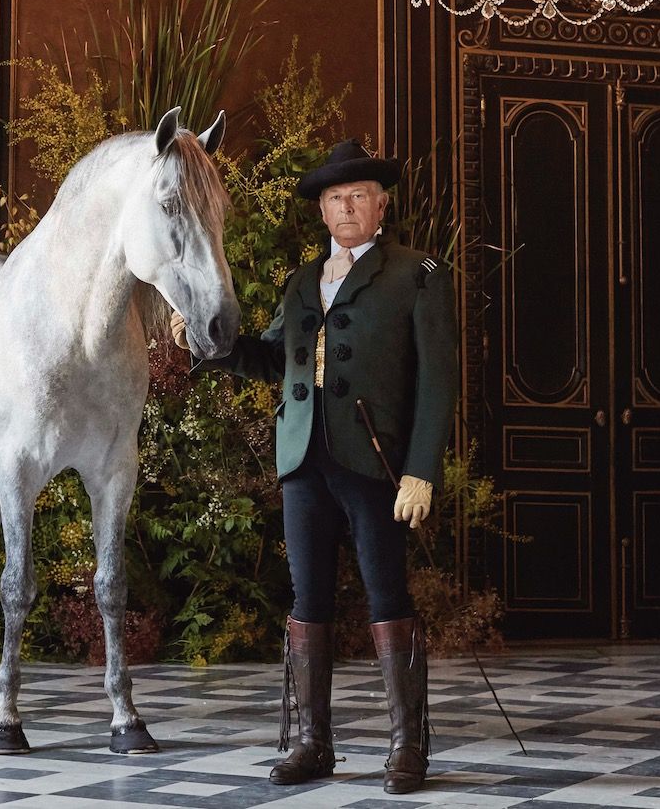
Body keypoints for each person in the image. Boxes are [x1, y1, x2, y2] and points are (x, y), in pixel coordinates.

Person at [171, 139, 458, 794]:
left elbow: (439, 380)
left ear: (380, 205)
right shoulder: (301, 281)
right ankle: (312, 743)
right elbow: (273, 359)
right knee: (307, 601)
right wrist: (208, 346)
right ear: (322, 211)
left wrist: (422, 471)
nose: (347, 206)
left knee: (388, 596)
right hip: (302, 459)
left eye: (359, 195)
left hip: (376, 461)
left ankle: (407, 747)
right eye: (335, 198)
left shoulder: (418, 272)